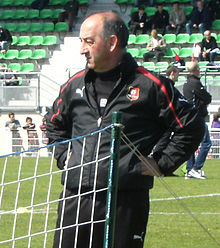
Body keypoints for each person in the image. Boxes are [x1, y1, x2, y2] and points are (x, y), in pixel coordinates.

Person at [45, 12, 204, 248]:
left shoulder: (151, 86)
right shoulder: (73, 85)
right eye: (81, 41)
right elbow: (53, 124)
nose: (82, 49)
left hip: (126, 200)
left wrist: (162, 162)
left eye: (89, 41)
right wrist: (64, 156)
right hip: (76, 199)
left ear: (112, 43)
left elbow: (191, 125)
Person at [183, 62, 212, 179]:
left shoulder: (186, 84)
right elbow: (207, 97)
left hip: (190, 116)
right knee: (206, 143)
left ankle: (190, 169)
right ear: (196, 70)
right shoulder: (195, 83)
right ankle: (196, 168)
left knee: (192, 143)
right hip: (197, 117)